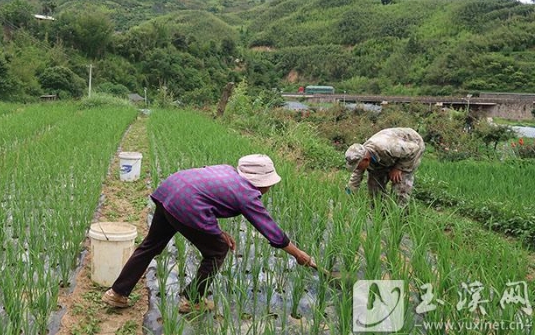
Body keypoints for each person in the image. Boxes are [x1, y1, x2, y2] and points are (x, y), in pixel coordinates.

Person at [101, 154, 317, 313]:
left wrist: (217, 231)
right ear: (262, 183)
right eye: (269, 183)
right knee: (217, 250)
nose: (270, 188)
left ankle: (117, 293)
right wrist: (299, 254)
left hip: (170, 190)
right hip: (185, 205)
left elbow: (205, 198)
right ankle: (192, 300)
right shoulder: (247, 194)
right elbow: (272, 232)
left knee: (150, 245)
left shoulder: (226, 169)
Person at [344, 127, 425, 206]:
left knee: (399, 184)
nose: (357, 169)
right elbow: (355, 178)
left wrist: (398, 168)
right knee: (374, 186)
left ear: (366, 160)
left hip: (412, 144)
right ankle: (379, 212)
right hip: (385, 157)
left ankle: (400, 214)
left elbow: (414, 149)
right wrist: (349, 193)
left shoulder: (389, 147)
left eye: (357, 166)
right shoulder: (361, 154)